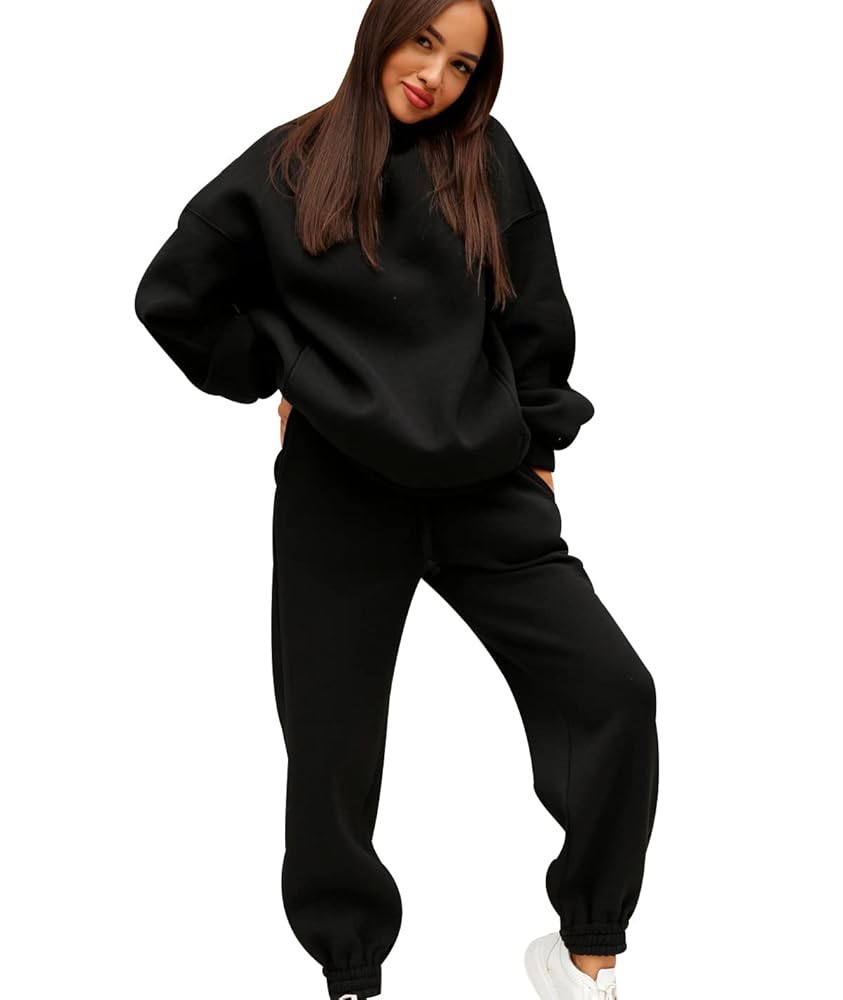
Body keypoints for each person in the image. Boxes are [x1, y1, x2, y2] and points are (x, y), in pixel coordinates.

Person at [133, 1, 659, 998]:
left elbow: (532, 310)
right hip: (340, 497)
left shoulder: (485, 159)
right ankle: (351, 976)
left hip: (484, 491)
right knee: (330, 752)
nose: (435, 76)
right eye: (424, 42)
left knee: (613, 694)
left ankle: (585, 953)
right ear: (384, 30)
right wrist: (281, 366)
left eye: (462, 64)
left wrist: (538, 446)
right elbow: (173, 296)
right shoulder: (286, 166)